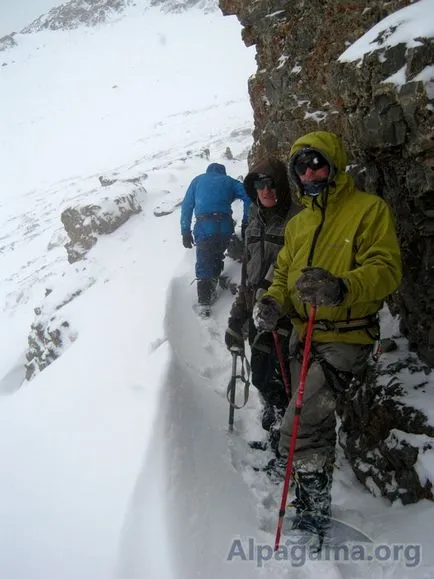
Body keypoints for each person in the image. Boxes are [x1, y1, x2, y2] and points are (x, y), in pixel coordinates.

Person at [253, 131, 402, 543]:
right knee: (312, 427)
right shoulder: (300, 224)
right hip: (306, 337)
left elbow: (387, 269)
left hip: (346, 339)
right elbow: (282, 274)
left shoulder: (368, 211)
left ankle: (312, 508)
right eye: (301, 166)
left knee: (299, 423)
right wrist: (271, 302)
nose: (310, 171)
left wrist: (341, 287)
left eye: (317, 162)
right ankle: (313, 508)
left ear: (333, 164)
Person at [224, 158, 299, 448]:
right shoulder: (254, 220)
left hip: (285, 318)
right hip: (256, 315)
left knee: (281, 383)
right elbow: (247, 275)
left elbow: (299, 272)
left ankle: (285, 447)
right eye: (259, 184)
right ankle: (275, 433)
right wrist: (236, 318)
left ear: (282, 185)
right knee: (263, 379)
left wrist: (278, 306)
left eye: (271, 184)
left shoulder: (297, 221)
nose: (266, 190)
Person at [180, 163, 251, 316]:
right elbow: (248, 195)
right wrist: (246, 221)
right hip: (225, 227)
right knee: (217, 253)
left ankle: (205, 302)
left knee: (204, 260)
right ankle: (214, 279)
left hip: (205, 227)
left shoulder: (198, 181)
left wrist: (185, 231)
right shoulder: (229, 181)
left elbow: (186, 206)